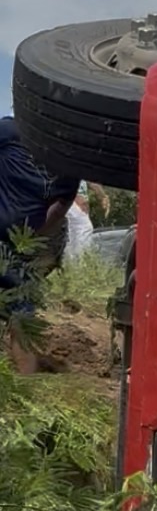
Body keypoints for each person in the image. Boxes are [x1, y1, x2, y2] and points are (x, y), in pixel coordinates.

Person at [0, 117, 80, 374]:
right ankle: (25, 384)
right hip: (22, 244)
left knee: (21, 314)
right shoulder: (13, 132)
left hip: (19, 246)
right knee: (21, 313)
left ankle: (25, 384)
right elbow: (60, 209)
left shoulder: (69, 163)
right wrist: (35, 234)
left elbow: (62, 207)